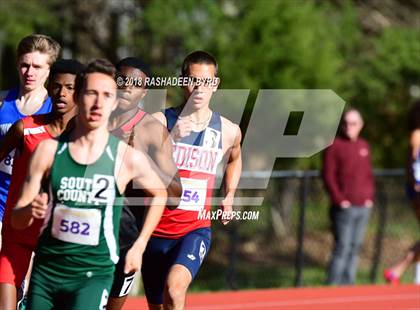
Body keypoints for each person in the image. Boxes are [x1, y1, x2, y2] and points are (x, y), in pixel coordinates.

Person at [10, 59, 167, 309]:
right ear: (78, 97)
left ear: (114, 102)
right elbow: (16, 220)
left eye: (106, 95)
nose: (98, 102)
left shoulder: (126, 157)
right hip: (48, 271)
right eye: (91, 93)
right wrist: (29, 211)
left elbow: (161, 193)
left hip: (93, 275)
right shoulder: (48, 152)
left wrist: (140, 245)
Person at [142, 50, 242, 310]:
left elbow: (235, 159)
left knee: (174, 291)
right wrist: (170, 138)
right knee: (157, 304)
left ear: (216, 85)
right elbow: (133, 160)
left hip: (194, 230)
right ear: (182, 81)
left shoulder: (228, 130)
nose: (199, 88)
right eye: (193, 80)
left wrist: (228, 196)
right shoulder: (159, 121)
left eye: (206, 82)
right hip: (154, 230)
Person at [0, 59, 85, 309]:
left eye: (70, 88)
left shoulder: (87, 137)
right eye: (57, 86)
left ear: (80, 91)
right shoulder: (24, 128)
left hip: (57, 239)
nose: (62, 93)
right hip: (17, 230)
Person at [107, 57, 181, 310]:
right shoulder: (90, 118)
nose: (127, 87)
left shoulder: (150, 129)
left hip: (125, 237)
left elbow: (175, 195)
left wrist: (142, 162)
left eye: (135, 83)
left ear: (144, 90)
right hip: (85, 229)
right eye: (122, 80)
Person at [0, 34, 60, 248]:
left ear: (49, 69)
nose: (30, 72)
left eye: (37, 66)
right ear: (17, 65)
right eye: (25, 65)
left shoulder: (55, 111)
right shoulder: (2, 103)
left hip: (35, 206)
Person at [323, 108, 375, 285]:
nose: (349, 127)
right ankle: (332, 287)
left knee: (355, 247)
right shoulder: (334, 146)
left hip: (363, 206)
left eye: (353, 123)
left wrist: (369, 198)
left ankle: (349, 288)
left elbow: (368, 175)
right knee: (342, 247)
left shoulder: (364, 146)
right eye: (345, 123)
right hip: (344, 208)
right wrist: (339, 199)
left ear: (360, 125)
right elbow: (328, 175)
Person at [384, 99, 420, 284]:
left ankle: (397, 270)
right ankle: (399, 269)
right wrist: (415, 184)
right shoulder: (417, 134)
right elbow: (412, 163)